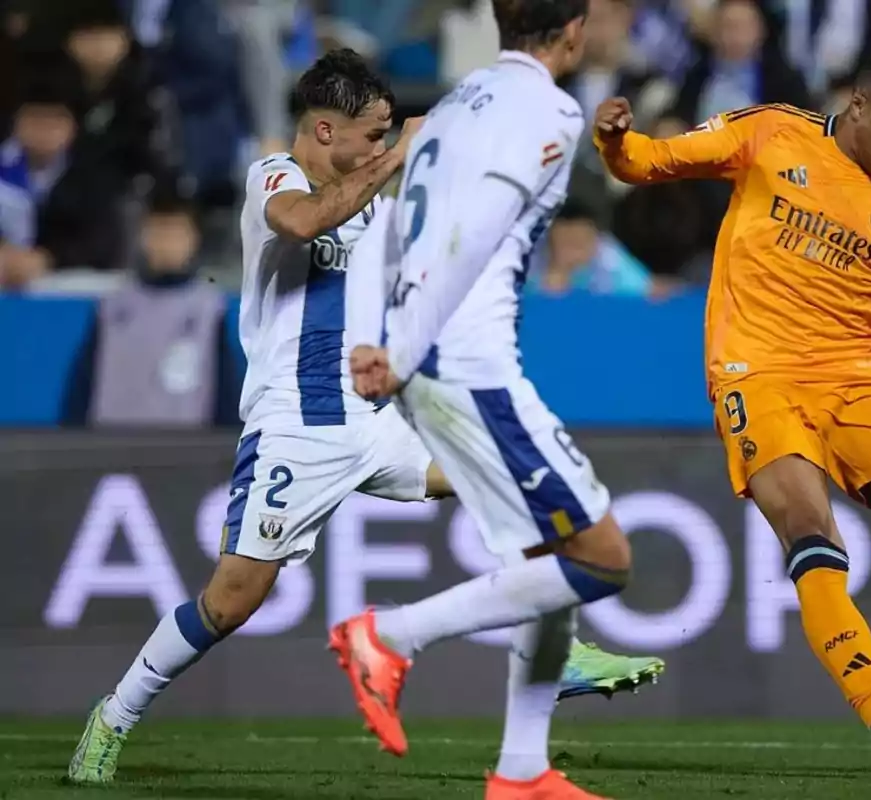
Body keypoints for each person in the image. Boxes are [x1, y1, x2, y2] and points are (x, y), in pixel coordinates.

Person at [66, 46, 658, 787]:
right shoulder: (274, 179)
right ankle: (114, 715)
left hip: (379, 414)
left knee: (506, 480)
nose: (381, 146)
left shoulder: (376, 190)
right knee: (231, 601)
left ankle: (553, 649)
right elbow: (303, 222)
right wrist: (400, 154)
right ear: (323, 132)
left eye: (385, 134)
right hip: (297, 424)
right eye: (370, 134)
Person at [593, 48, 871, 779]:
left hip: (858, 383)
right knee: (808, 532)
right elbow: (651, 163)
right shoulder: (772, 133)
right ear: (859, 106)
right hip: (757, 375)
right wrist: (615, 141)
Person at [329, 2, 630, 797]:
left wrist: (376, 335)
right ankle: (388, 635)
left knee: (544, 560)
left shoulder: (458, 102)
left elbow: (390, 218)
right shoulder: (551, 111)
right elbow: (470, 231)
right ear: (573, 32)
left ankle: (523, 769)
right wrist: (400, 348)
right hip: (468, 362)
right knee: (601, 559)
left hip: (428, 351)